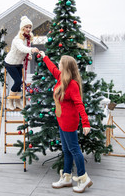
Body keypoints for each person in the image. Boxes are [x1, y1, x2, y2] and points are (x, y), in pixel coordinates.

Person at [39, 51, 93, 193]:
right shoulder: (60, 78)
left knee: (74, 149)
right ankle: (67, 178)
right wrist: (44, 56)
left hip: (69, 122)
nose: (58, 65)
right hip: (61, 120)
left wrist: (86, 123)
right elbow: (52, 68)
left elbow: (79, 104)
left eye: (60, 64)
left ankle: (83, 178)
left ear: (66, 67)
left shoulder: (72, 85)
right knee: (66, 150)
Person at [4, 16, 39, 110]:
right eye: (26, 27)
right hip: (10, 63)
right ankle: (10, 101)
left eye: (29, 27)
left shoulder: (27, 39)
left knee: (20, 83)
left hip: (19, 63)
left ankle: (18, 102)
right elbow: (22, 48)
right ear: (22, 28)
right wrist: (31, 50)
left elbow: (25, 51)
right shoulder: (17, 39)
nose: (28, 29)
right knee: (18, 81)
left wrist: (29, 55)